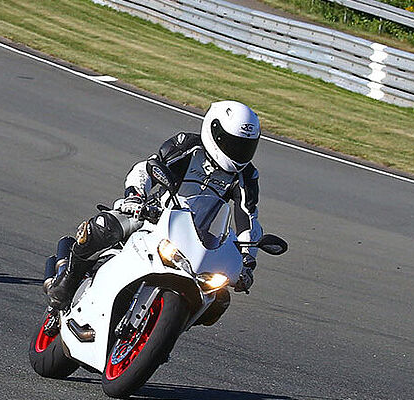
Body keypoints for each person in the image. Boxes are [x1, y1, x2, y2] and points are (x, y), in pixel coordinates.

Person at [46, 101, 266, 312]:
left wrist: (247, 261)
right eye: (231, 143)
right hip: (156, 215)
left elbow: (248, 219)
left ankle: (170, 328)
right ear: (213, 130)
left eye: (245, 146)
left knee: (218, 298)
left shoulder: (246, 175)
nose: (237, 151)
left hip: (199, 239)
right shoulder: (188, 146)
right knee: (104, 226)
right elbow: (146, 168)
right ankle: (66, 283)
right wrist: (135, 197)